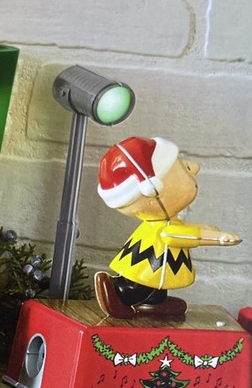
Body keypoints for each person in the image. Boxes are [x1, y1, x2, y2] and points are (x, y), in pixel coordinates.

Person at [94, 136, 241, 320]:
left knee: (156, 284)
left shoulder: (164, 223)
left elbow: (184, 230)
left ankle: (155, 301)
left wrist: (206, 228)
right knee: (143, 285)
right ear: (154, 193)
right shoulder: (165, 229)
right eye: (182, 167)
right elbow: (180, 236)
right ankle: (119, 293)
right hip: (150, 263)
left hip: (157, 266)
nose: (193, 167)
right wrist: (218, 238)